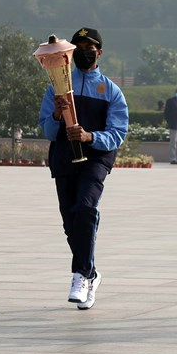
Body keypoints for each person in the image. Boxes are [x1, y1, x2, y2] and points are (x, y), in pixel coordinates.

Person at [38, 27, 128, 310]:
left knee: (86, 209)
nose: (84, 51)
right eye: (79, 47)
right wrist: (55, 114)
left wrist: (90, 137)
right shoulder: (57, 86)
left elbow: (117, 133)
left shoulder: (111, 91)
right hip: (64, 158)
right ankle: (90, 272)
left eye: (90, 47)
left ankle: (79, 276)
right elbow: (48, 131)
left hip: (96, 159)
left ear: (99, 52)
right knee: (70, 222)